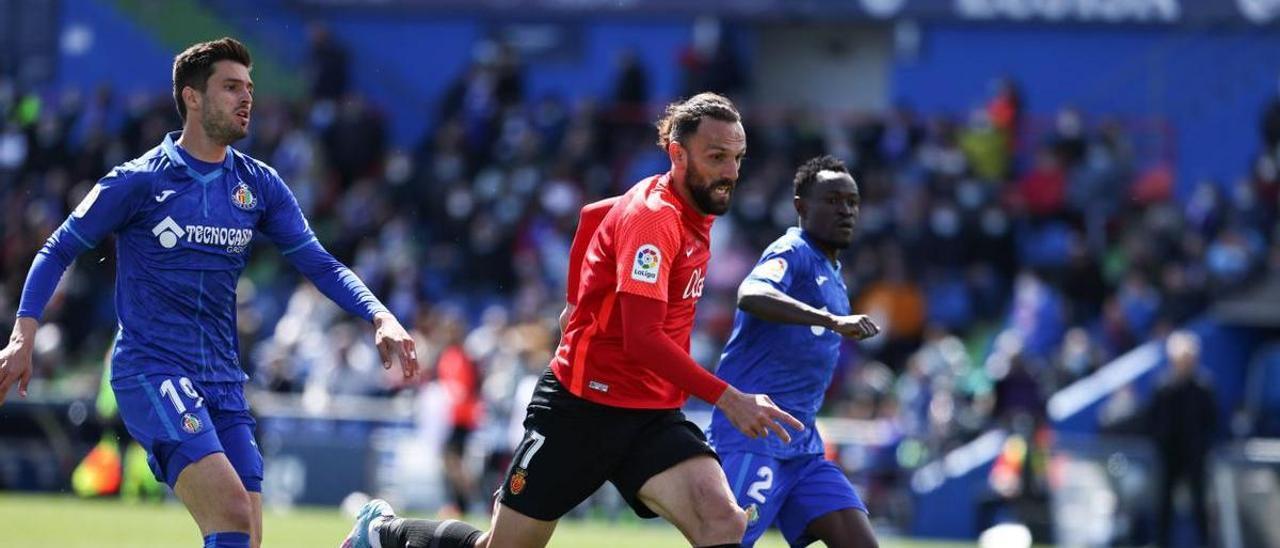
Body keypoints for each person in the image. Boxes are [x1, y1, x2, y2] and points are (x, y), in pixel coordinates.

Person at [0, 38, 419, 548]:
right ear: (192, 97)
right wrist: (24, 333)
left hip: (224, 380)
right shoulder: (137, 182)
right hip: (152, 370)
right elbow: (58, 246)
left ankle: (361, 541)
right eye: (230, 87)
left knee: (246, 536)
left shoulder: (258, 185)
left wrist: (378, 314)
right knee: (231, 512)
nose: (247, 99)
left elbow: (320, 263)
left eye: (249, 88)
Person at [344, 92, 803, 548]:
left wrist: (573, 301)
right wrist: (729, 399)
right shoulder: (655, 220)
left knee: (723, 522)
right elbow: (642, 338)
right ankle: (384, 532)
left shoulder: (685, 210)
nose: (731, 172)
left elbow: (592, 216)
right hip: (581, 409)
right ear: (677, 155)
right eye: (717, 157)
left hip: (650, 416)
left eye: (738, 158)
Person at [708, 155, 881, 548]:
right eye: (833, 200)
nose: (846, 210)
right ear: (801, 206)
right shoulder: (793, 250)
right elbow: (751, 294)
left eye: (852, 202)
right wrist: (832, 320)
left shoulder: (832, 273)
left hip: (802, 448)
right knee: (725, 542)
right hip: (753, 435)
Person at [1149, 330, 1217, 547]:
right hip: (1169, 454)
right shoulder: (1163, 388)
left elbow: (1213, 421)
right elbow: (1152, 421)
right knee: (1164, 506)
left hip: (1195, 453)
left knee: (1200, 504)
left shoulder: (1203, 387)